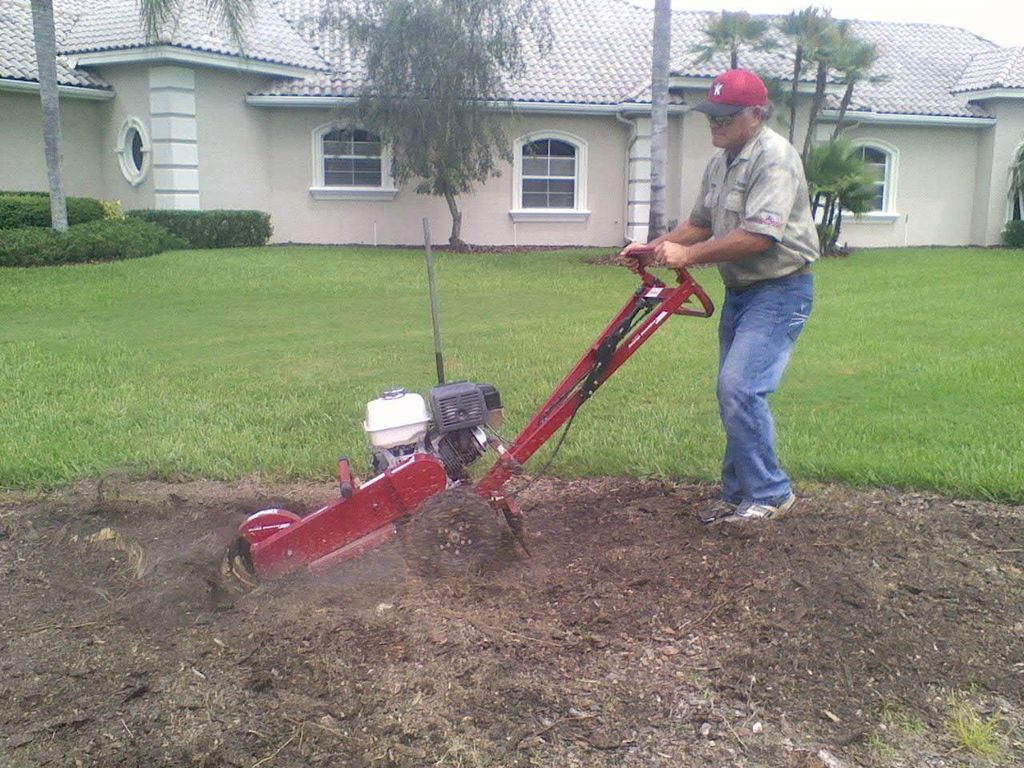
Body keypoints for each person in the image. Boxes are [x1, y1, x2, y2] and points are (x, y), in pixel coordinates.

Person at [622, 68, 818, 524]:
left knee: (741, 389)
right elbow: (701, 222)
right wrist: (654, 251)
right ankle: (737, 493)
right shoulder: (723, 159)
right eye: (712, 115)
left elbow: (759, 238)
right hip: (742, 291)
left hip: (780, 289)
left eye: (726, 116)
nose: (716, 123)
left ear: (756, 114)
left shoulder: (775, 159)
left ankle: (771, 493)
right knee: (732, 391)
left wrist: (687, 255)